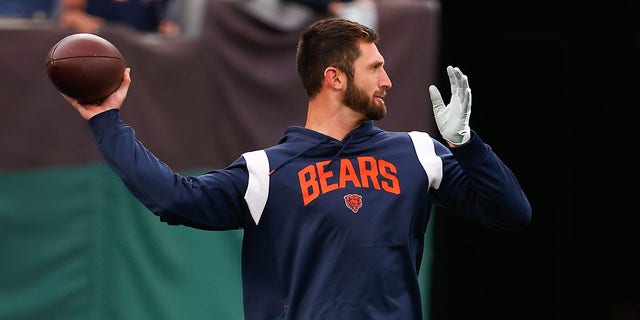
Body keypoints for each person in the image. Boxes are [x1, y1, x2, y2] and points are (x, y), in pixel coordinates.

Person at [62, 18, 531, 319]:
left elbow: (511, 213)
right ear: (334, 78)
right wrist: (106, 121)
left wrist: (466, 144)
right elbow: (173, 198)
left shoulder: (418, 153)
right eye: (375, 68)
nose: (388, 80)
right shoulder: (266, 172)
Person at [57, 0, 180, 36]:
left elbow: (165, 26)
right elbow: (68, 16)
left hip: (141, 64)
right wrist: (77, 19)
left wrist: (168, 32)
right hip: (97, 59)